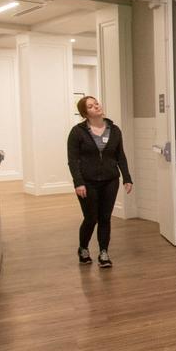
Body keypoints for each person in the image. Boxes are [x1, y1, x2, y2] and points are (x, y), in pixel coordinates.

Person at [67, 96, 133, 268]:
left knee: (105, 217)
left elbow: (120, 156)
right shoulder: (77, 132)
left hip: (110, 180)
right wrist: (78, 182)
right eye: (90, 106)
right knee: (91, 218)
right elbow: (73, 160)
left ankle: (104, 253)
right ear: (85, 113)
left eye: (96, 103)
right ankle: (83, 248)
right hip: (87, 182)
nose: (96, 106)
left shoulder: (114, 130)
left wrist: (126, 177)